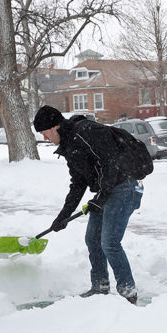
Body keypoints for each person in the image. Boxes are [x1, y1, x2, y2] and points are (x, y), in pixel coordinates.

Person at [34, 105, 147, 304]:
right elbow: (78, 183)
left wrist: (101, 197)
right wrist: (63, 216)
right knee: (93, 239)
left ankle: (128, 293)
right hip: (108, 189)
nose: (45, 138)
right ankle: (100, 287)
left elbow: (110, 162)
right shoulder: (70, 145)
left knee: (110, 243)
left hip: (125, 186)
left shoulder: (86, 131)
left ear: (54, 127)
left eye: (45, 133)